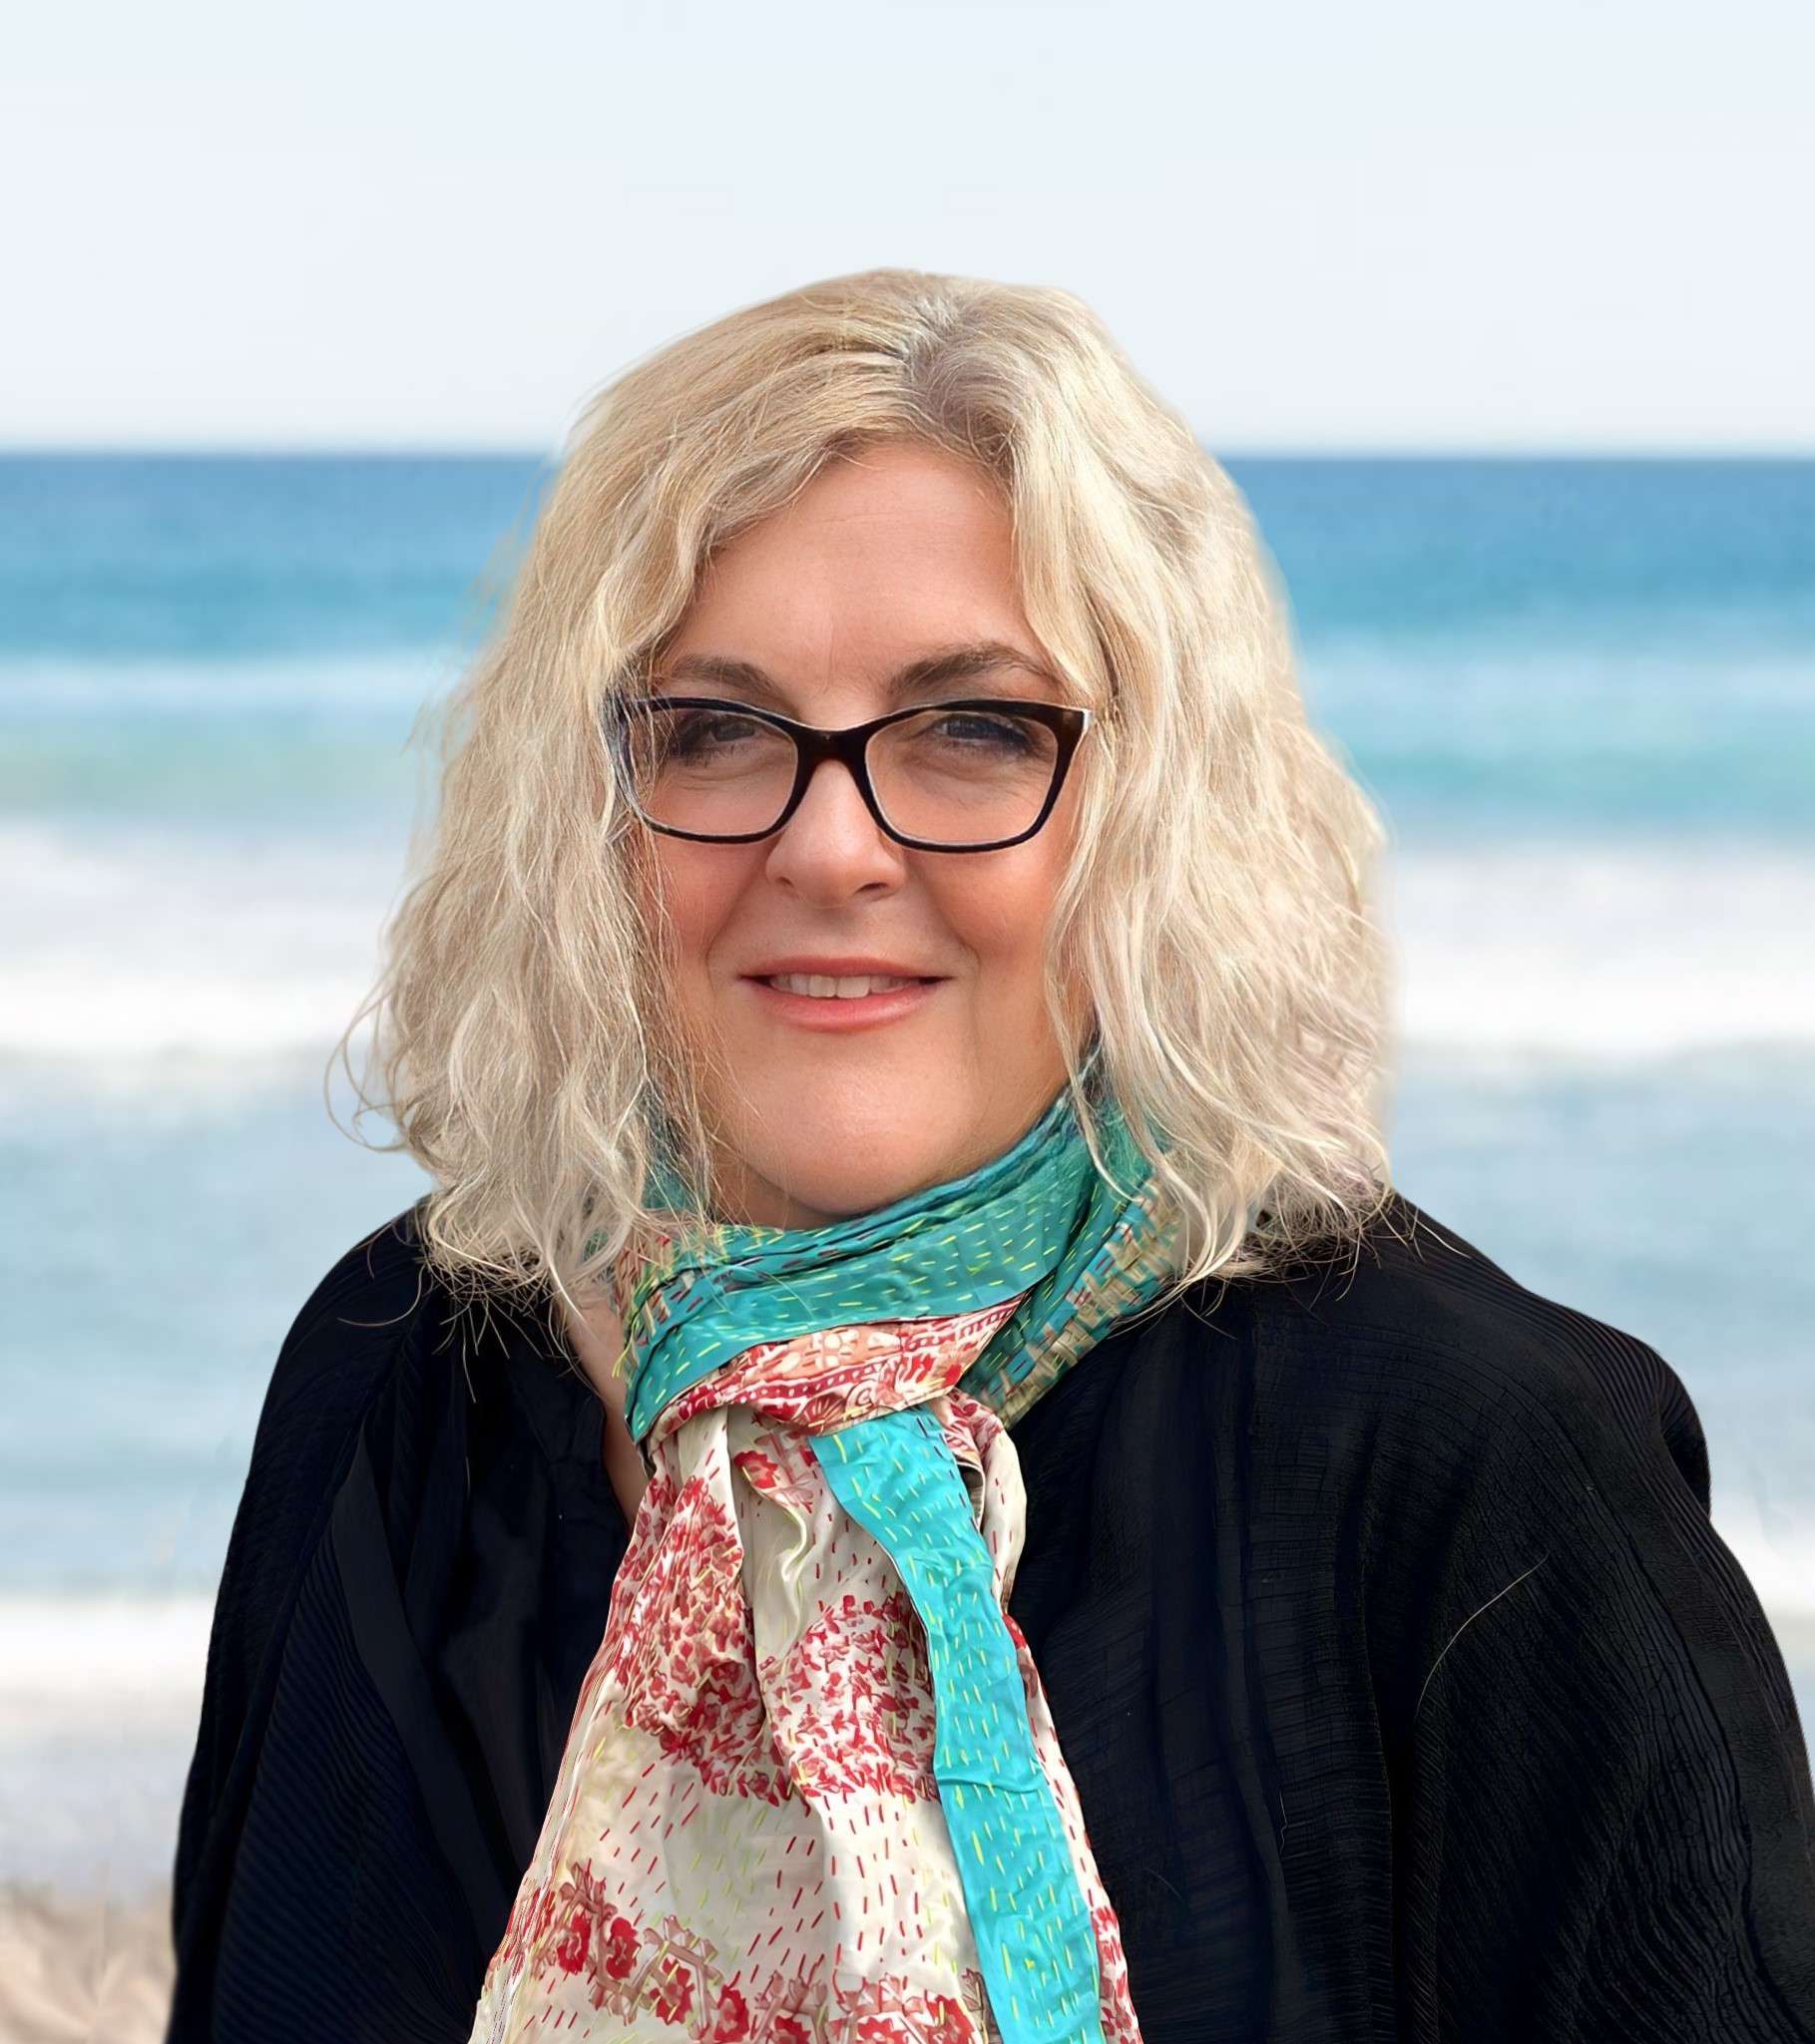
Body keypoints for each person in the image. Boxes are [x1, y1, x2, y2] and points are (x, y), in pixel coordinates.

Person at [167, 270, 1815, 2044]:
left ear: (1154, 813)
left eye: (974, 728)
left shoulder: (1476, 1463)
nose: (831, 848)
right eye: (713, 728)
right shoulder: (405, 1373)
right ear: (586, 816)